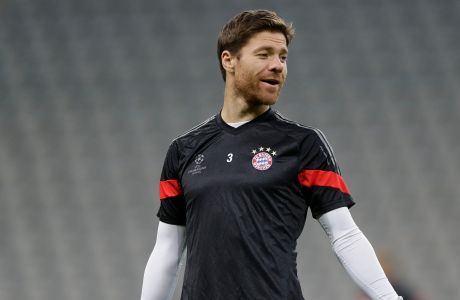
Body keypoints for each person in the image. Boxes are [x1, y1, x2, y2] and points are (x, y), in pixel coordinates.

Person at [141, 9, 403, 300]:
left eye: (283, 56)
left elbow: (345, 235)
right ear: (229, 60)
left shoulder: (303, 144)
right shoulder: (184, 150)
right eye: (264, 54)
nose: (278, 65)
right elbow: (168, 250)